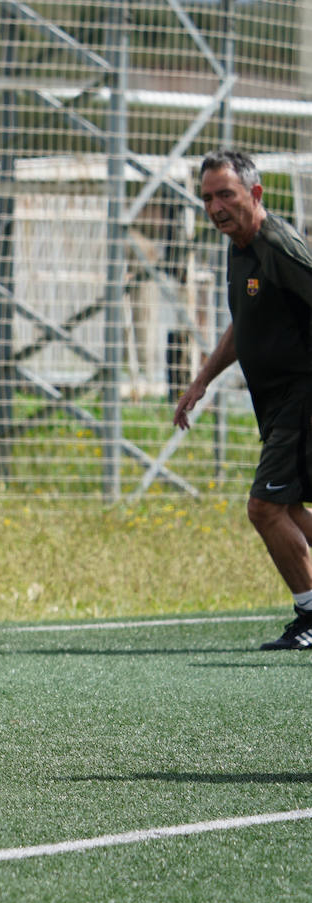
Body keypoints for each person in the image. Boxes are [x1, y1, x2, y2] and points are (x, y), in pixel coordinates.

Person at [174, 148, 312, 651]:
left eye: (225, 195)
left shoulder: (278, 244)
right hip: (277, 403)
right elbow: (245, 323)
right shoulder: (240, 246)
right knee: (288, 509)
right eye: (207, 198)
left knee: (264, 508)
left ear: (255, 194)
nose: (215, 207)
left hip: (302, 396)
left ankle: (310, 615)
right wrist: (202, 379)